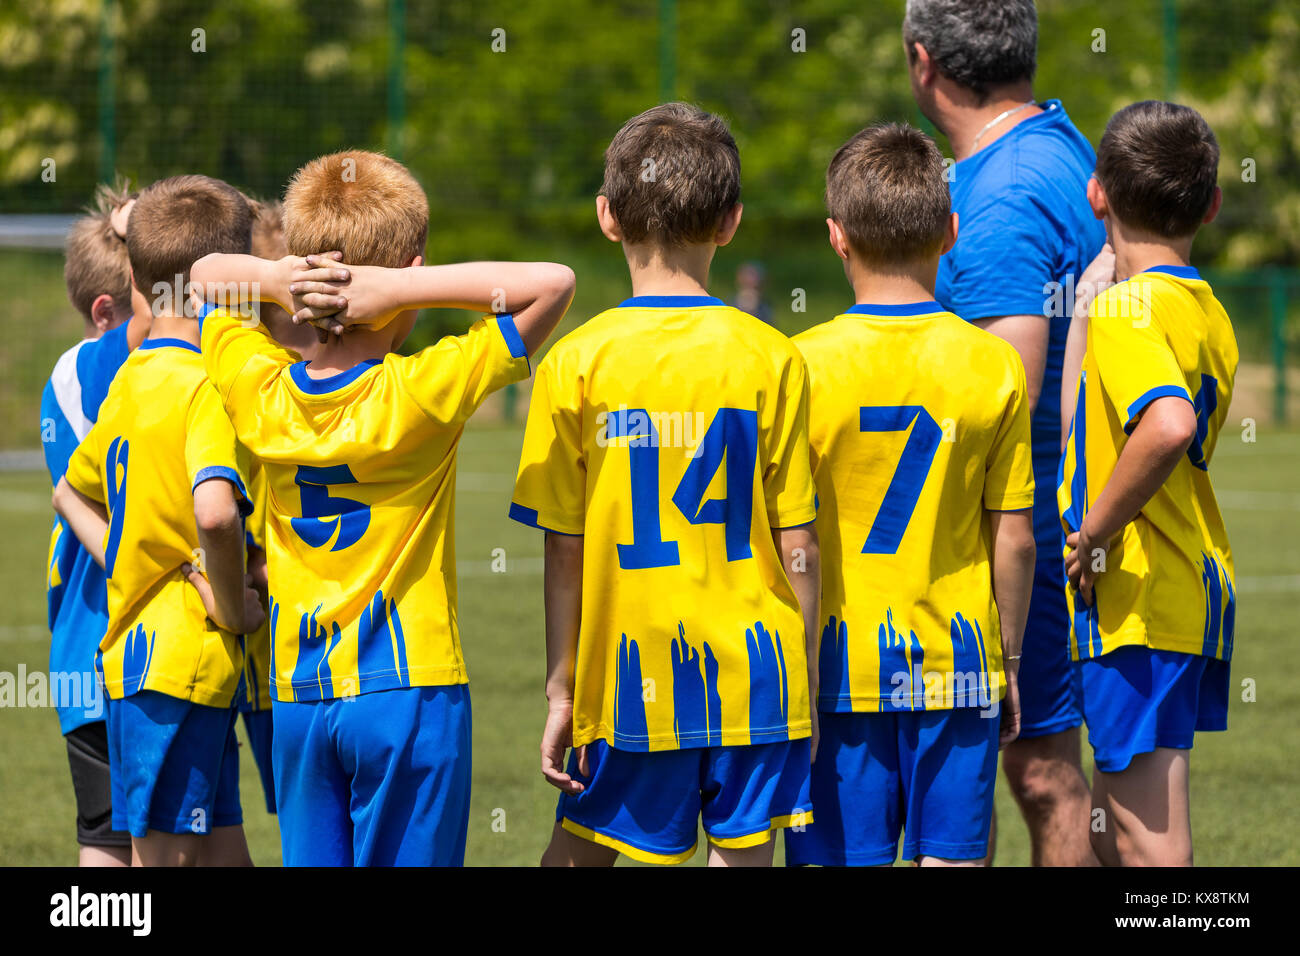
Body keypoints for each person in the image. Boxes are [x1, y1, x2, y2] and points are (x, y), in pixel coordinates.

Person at [191, 148, 575, 865]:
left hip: (299, 695)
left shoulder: (259, 387)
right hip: (409, 689)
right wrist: (403, 288)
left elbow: (202, 282)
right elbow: (553, 284)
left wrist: (280, 279)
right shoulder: (423, 391)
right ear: (415, 265)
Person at [509, 103, 820, 867]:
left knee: (579, 853)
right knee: (742, 855)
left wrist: (561, 692)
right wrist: (802, 679)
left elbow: (564, 550)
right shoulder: (774, 355)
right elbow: (799, 542)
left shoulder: (577, 360)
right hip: (756, 668)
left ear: (607, 218)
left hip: (628, 673)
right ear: (731, 221)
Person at [785, 123, 1036, 867]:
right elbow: (1015, 537)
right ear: (951, 232)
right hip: (957, 665)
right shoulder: (993, 366)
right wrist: (1011, 661)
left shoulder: (797, 365)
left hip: (837, 674)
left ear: (836, 237)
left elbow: (789, 540)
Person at [902, 0, 1105, 864]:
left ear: (924, 63)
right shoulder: (1064, 146)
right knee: (1043, 765)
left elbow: (1005, 395)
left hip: (1023, 522)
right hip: (1061, 508)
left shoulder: (998, 195)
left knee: (1036, 770)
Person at [52, 175, 263, 867]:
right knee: (159, 864)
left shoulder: (134, 378)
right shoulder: (206, 384)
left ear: (136, 285)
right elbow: (216, 514)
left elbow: (69, 495)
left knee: (222, 850)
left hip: (131, 661)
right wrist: (233, 607)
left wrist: (129, 558)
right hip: (185, 664)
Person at [1058, 101, 1233, 866]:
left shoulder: (1130, 311)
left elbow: (1166, 425)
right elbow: (1081, 422)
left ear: (1097, 193)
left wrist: (1094, 533)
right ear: (1213, 205)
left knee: (1146, 843)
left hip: (1139, 594)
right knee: (1107, 829)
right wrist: (1090, 309)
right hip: (1182, 586)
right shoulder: (1199, 307)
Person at [41, 181, 149, 866]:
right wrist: (148, 226)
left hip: (84, 663)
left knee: (105, 844)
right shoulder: (96, 365)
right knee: (151, 848)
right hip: (125, 656)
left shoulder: (68, 378)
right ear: (110, 310)